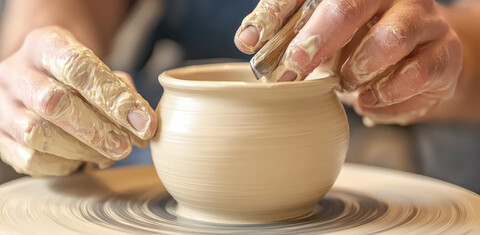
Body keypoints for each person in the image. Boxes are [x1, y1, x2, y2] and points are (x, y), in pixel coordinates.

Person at [0, 0, 478, 188]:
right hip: (160, 160)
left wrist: (424, 57)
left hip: (406, 153)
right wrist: (48, 62)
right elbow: (66, 9)